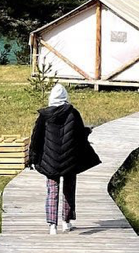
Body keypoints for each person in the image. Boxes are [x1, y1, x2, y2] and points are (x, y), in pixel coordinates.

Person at [28, 83, 101, 235]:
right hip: (70, 161)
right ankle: (66, 222)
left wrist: (32, 158)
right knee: (69, 189)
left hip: (50, 161)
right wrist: (87, 132)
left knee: (52, 191)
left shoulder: (44, 116)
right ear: (65, 97)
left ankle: (52, 225)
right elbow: (80, 136)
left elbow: (36, 138)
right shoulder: (73, 113)